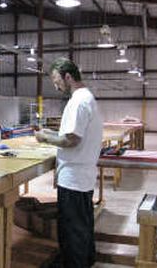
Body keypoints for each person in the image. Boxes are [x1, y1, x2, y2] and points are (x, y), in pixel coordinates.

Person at [35, 58, 103, 268]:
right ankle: (86, 259)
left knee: (71, 226)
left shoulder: (78, 102)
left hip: (74, 177)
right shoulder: (87, 98)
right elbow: (70, 134)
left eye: (57, 81)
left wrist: (45, 138)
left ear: (68, 76)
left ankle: (74, 264)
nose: (56, 86)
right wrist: (52, 133)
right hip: (82, 175)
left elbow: (71, 140)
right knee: (82, 223)